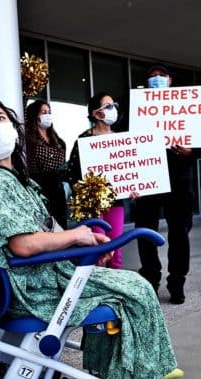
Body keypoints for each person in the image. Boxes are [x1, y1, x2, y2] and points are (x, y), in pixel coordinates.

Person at [0, 96, 197, 379]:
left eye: (0, 118)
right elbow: (23, 244)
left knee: (125, 287)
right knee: (137, 289)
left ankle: (135, 368)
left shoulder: (15, 180)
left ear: (13, 129)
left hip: (46, 276)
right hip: (35, 289)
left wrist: (88, 244)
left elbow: (47, 231)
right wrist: (76, 237)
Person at [134, 64, 201, 305]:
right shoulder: (138, 110)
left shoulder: (185, 107)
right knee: (146, 232)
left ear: (170, 80)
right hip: (148, 181)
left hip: (179, 182)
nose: (157, 79)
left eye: (161, 76)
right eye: (152, 76)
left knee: (180, 233)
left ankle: (177, 281)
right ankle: (151, 277)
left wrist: (189, 151)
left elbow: (199, 147)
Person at [66, 92, 132, 269]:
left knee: (116, 249)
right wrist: (84, 192)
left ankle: (116, 290)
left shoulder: (122, 140)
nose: (114, 109)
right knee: (97, 249)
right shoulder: (84, 140)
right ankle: (99, 290)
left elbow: (130, 171)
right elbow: (72, 173)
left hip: (115, 201)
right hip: (92, 204)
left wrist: (133, 186)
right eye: (108, 106)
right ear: (96, 113)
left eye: (114, 106)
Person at [24, 99, 68, 229]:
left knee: (61, 225)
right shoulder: (30, 141)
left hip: (58, 189)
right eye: (44, 112)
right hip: (41, 188)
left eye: (49, 112)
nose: (47, 115)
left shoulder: (56, 139)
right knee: (48, 226)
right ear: (35, 115)